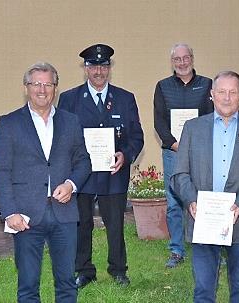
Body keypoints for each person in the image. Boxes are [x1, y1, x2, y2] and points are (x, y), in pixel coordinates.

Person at [171, 71, 239, 303]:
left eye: (233, 92)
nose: (227, 98)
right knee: (204, 289)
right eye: (221, 92)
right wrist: (191, 200)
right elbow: (179, 174)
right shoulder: (192, 128)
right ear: (212, 95)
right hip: (203, 219)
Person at [0, 62, 90, 302]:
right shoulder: (9, 123)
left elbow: (83, 162)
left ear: (55, 88)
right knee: (28, 285)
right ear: (26, 87)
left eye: (48, 84)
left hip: (64, 214)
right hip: (25, 215)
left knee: (67, 283)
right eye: (36, 84)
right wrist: (10, 212)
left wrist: (71, 184)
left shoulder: (71, 121)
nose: (42, 89)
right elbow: (1, 171)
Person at [58, 43, 144, 288]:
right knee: (81, 224)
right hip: (81, 175)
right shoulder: (69, 99)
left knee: (115, 224)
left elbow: (137, 137)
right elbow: (62, 139)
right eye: (93, 66)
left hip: (114, 174)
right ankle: (84, 270)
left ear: (109, 68)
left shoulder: (125, 98)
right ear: (86, 69)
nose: (99, 71)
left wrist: (124, 155)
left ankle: (118, 270)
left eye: (103, 66)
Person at [152, 43, 213, 268]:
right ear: (172, 62)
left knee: (203, 199)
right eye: (177, 59)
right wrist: (176, 145)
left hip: (202, 153)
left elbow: (212, 119)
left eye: (186, 58)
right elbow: (159, 121)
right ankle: (177, 250)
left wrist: (197, 147)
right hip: (173, 152)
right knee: (174, 202)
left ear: (192, 58)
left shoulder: (207, 85)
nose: (182, 62)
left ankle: (206, 246)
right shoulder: (163, 86)